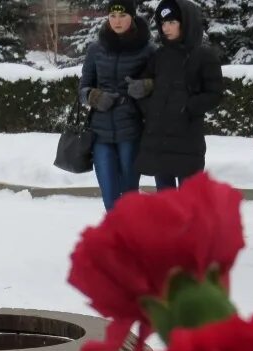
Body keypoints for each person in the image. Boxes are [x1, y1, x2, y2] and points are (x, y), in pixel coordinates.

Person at [131, 0, 223, 191]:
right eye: (163, 23)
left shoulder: (204, 56)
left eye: (172, 22)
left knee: (189, 202)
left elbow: (214, 94)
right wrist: (150, 107)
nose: (166, 28)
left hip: (187, 140)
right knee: (166, 202)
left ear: (186, 23)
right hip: (159, 141)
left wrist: (188, 107)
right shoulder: (159, 56)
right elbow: (140, 88)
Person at [79, 0, 156, 211]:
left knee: (129, 193)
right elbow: (83, 89)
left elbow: (162, 82)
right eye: (112, 16)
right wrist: (93, 96)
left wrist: (147, 85)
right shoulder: (96, 49)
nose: (117, 21)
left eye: (122, 16)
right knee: (110, 198)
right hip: (100, 132)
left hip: (131, 131)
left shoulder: (147, 49)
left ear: (132, 17)